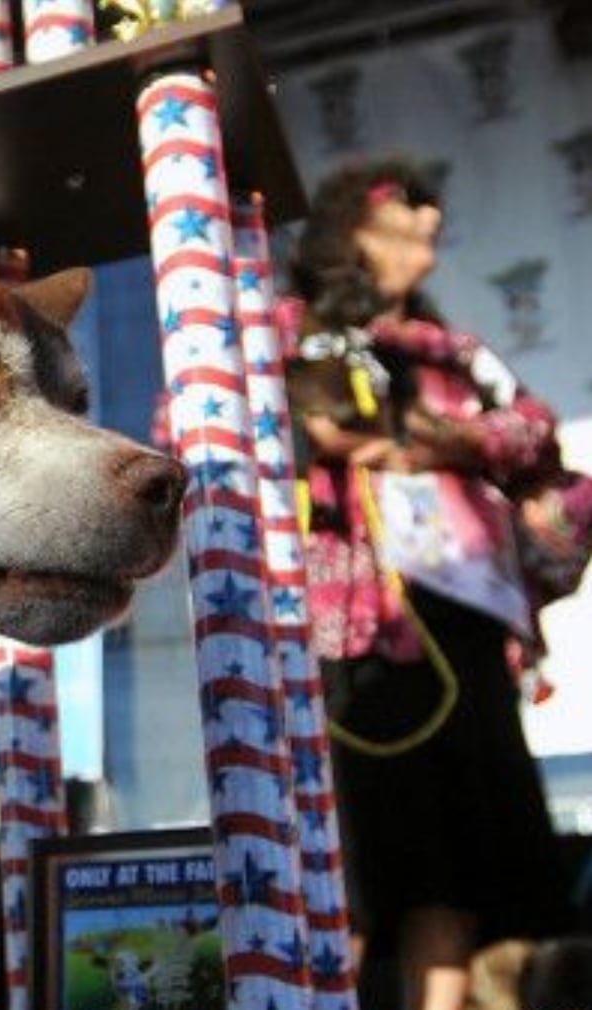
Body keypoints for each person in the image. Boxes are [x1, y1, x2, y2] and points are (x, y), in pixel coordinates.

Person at [283, 158, 574, 1010]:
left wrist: (429, 442)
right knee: (349, 853)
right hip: (349, 627)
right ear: (348, 236)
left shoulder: (455, 353)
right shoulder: (283, 330)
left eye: (431, 239)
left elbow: (533, 429)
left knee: (451, 859)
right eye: (399, 235)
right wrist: (320, 434)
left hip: (459, 617)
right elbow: (218, 423)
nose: (421, 256)